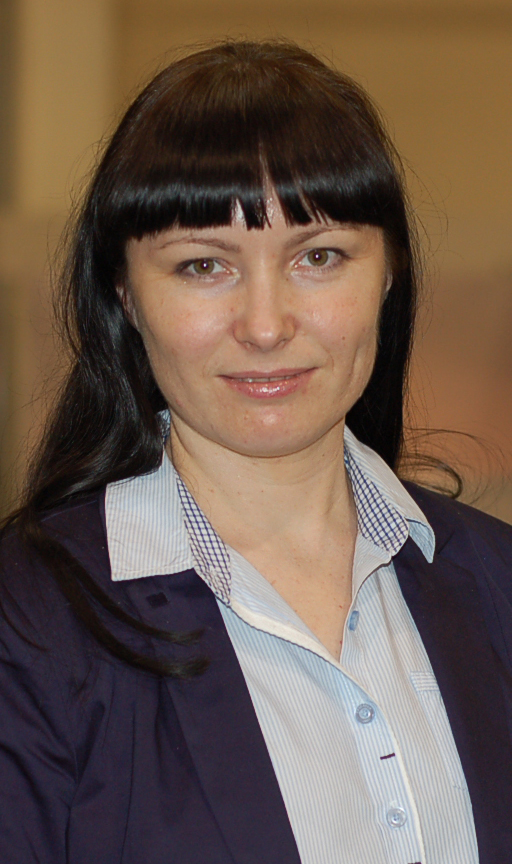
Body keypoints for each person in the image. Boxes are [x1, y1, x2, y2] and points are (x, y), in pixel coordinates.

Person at [0, 39, 511, 864]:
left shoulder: (497, 585)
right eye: (203, 265)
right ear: (125, 294)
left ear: (388, 274)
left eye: (319, 257)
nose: (266, 326)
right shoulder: (27, 623)